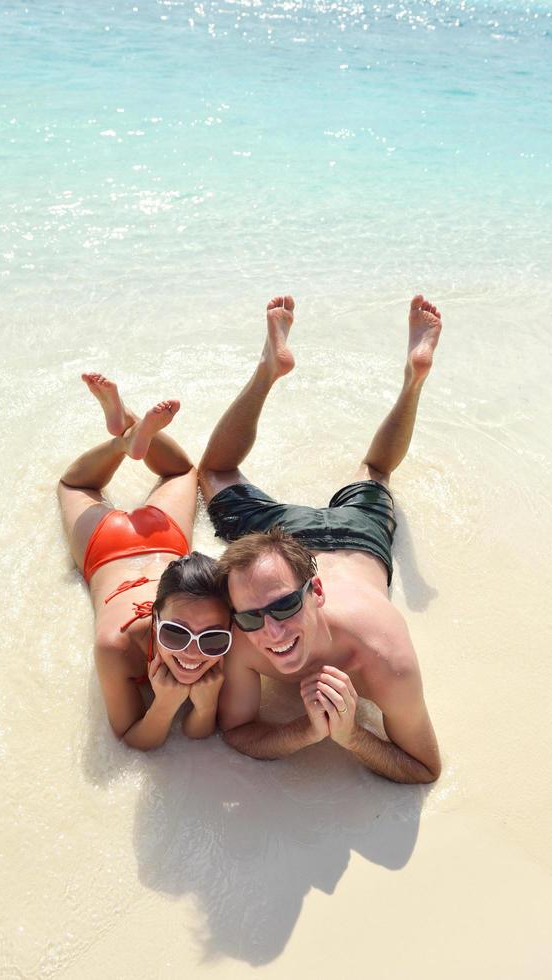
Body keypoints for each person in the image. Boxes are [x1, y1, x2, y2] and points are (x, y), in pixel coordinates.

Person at [198, 295, 442, 784]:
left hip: (353, 541)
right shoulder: (243, 637)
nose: (271, 632)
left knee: (218, 470)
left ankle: (413, 379)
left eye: (286, 608)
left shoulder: (383, 656)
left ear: (317, 592)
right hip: (281, 547)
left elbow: (425, 768)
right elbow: (236, 731)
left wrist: (350, 735)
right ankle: (272, 368)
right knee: (371, 470)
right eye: (251, 616)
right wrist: (307, 733)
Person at [58, 373, 230, 751]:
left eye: (214, 638)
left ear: (229, 629)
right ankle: (127, 434)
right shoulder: (115, 645)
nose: (191, 653)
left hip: (150, 541)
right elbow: (133, 740)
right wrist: (165, 708)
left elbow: (200, 730)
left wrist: (207, 702)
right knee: (76, 485)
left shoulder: (223, 644)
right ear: (153, 616)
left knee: (176, 473)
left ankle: (126, 434)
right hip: (110, 548)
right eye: (175, 633)